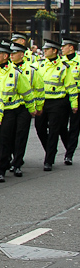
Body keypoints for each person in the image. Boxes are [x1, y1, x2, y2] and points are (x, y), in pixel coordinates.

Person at [0, 41, 36, 182]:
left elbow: (27, 92)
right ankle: (3, 164)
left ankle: (13, 165)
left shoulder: (16, 73)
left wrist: (32, 109)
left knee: (17, 138)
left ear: (5, 56)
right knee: (1, 140)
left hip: (15, 109)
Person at [35, 39, 77, 171]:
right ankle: (50, 149)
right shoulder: (40, 65)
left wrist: (74, 103)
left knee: (54, 130)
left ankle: (49, 160)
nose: (45, 51)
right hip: (42, 101)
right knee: (39, 128)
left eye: (47, 49)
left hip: (58, 103)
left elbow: (71, 86)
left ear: (54, 51)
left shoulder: (64, 67)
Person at [9, 41, 44, 176]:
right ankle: (11, 159)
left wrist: (38, 107)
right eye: (10, 53)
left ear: (22, 55)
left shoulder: (31, 70)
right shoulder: (5, 70)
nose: (11, 56)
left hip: (25, 106)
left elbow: (39, 89)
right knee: (10, 135)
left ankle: (17, 163)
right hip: (9, 107)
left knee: (21, 134)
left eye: (14, 53)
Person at [60, 35, 80, 164]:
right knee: (61, 125)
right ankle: (69, 146)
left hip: (77, 95)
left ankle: (69, 154)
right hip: (62, 97)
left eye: (64, 46)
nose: (61, 49)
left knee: (74, 126)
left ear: (71, 48)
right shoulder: (60, 62)